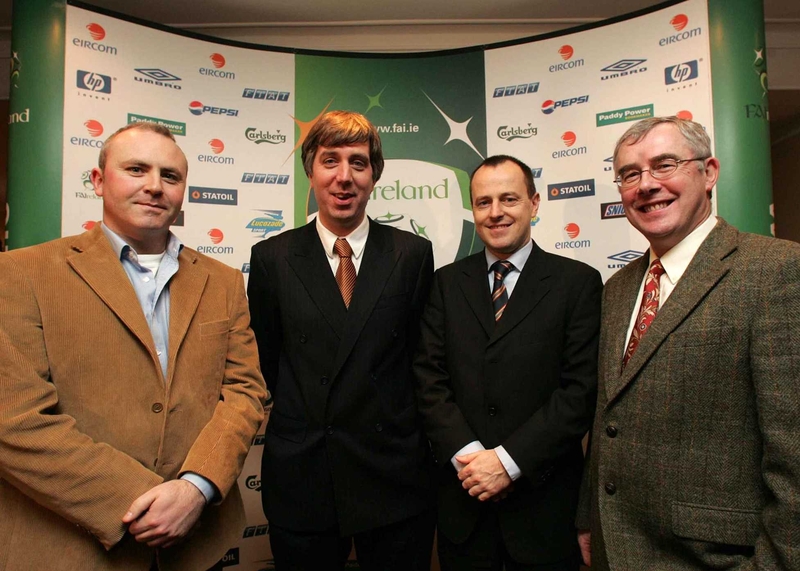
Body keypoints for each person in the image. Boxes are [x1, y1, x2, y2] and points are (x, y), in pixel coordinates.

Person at [0, 122, 268, 571]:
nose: (154, 186)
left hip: (197, 547)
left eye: (170, 176)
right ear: (99, 180)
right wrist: (142, 499)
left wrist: (194, 489)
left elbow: (244, 392)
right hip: (72, 549)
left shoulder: (222, 281)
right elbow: (15, 421)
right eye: (136, 169)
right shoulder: (22, 273)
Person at [576, 116, 800, 570]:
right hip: (614, 549)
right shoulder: (618, 289)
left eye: (665, 165)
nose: (646, 185)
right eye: (630, 174)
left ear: (710, 171)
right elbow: (609, 418)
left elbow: (793, 455)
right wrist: (588, 518)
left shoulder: (776, 271)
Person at [247, 110, 435, 571]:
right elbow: (266, 363)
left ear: (375, 175)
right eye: (330, 161)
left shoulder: (412, 254)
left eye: (359, 162)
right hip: (305, 473)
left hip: (392, 470)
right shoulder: (272, 257)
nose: (344, 177)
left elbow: (421, 360)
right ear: (310, 171)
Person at [414, 154, 602, 571]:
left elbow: (580, 391)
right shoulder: (444, 284)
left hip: (544, 509)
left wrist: (508, 463)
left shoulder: (578, 283)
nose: (496, 212)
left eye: (509, 199)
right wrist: (472, 460)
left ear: (534, 204)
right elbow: (428, 378)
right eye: (483, 202)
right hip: (464, 506)